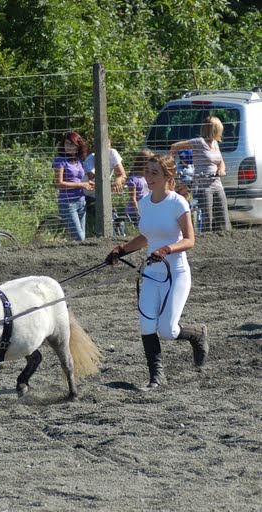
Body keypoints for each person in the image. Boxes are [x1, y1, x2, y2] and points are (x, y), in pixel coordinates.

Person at [105, 154, 208, 391]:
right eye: (147, 171)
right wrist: (121, 250)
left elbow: (190, 240)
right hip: (152, 273)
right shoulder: (145, 203)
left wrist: (166, 249)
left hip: (177, 273)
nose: (148, 177)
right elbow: (147, 237)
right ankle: (156, 377)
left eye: (154, 173)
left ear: (167, 177)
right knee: (146, 325)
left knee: (167, 330)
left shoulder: (177, 204)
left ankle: (197, 334)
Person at [170, 116, 231, 232]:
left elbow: (221, 162)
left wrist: (221, 170)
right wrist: (172, 167)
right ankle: (205, 242)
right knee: (207, 218)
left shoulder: (215, 143)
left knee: (223, 217)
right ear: (214, 129)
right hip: (204, 187)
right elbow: (174, 147)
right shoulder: (198, 142)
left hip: (218, 185)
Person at [52, 132, 94, 241]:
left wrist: (88, 183)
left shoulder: (79, 161)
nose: (69, 146)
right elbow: (59, 183)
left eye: (72, 144)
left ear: (78, 146)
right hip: (68, 203)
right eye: (67, 143)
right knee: (79, 237)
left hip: (81, 201)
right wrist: (81, 185)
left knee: (82, 238)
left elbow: (79, 179)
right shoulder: (60, 160)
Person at [125, 149, 152, 225]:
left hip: (145, 211)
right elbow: (132, 198)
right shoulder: (133, 179)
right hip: (134, 213)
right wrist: (138, 212)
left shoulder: (146, 178)